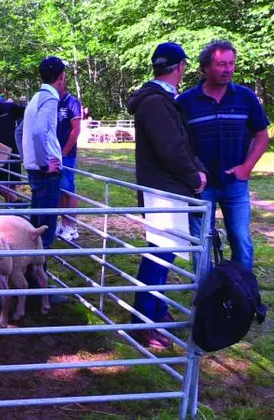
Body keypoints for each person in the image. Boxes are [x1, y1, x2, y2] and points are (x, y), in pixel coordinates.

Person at [127, 42, 207, 349]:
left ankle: (155, 311)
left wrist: (194, 169)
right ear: (180, 67)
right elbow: (171, 148)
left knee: (163, 253)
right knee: (159, 255)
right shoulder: (157, 103)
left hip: (165, 188)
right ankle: (144, 321)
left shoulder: (158, 100)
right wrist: (193, 175)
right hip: (164, 189)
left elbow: (179, 145)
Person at [178, 40, 270, 272]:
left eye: (231, 64)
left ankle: (243, 300)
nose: (228, 69)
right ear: (205, 68)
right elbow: (177, 144)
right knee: (201, 244)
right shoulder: (185, 102)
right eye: (221, 64)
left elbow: (261, 135)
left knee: (241, 240)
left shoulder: (245, 97)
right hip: (200, 186)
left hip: (235, 185)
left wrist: (246, 168)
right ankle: (205, 301)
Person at [21, 57, 66, 249]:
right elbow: (39, 132)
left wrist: (28, 158)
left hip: (35, 169)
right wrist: (44, 163)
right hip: (45, 171)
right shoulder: (50, 98)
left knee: (36, 225)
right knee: (45, 229)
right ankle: (39, 276)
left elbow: (19, 131)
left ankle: (32, 273)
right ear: (61, 77)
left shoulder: (35, 98)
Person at [54, 85, 82, 241]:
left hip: (67, 155)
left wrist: (64, 152)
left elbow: (76, 129)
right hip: (54, 154)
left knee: (68, 188)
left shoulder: (72, 102)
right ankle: (64, 223)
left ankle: (72, 226)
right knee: (60, 189)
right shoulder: (52, 101)